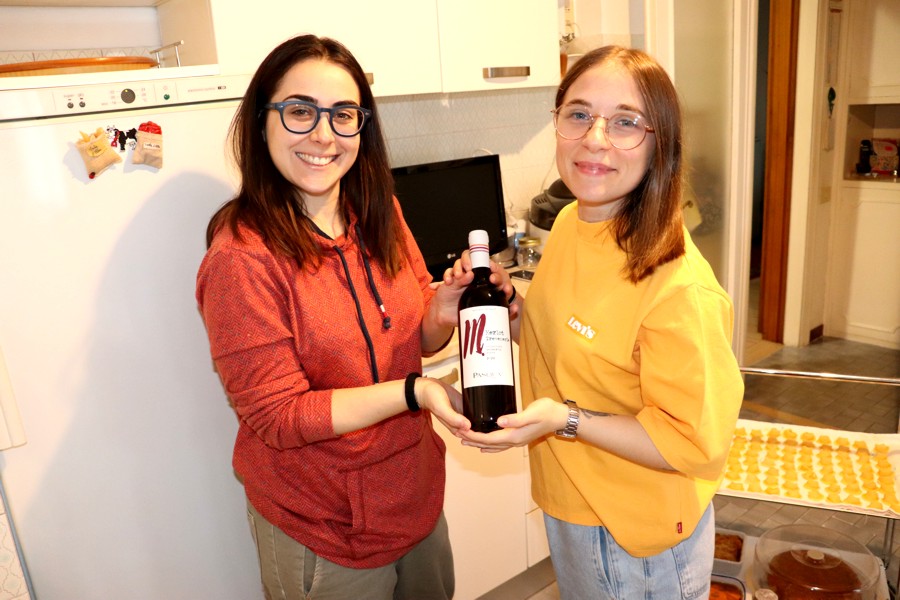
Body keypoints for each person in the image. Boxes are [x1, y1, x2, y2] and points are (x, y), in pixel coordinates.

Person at [196, 34, 511, 600]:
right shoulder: (241, 259)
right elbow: (279, 416)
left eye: (343, 115)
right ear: (261, 122)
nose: (324, 135)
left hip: (413, 496)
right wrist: (414, 392)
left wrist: (444, 307)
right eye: (300, 111)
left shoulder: (379, 210)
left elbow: (416, 337)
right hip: (321, 525)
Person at [457, 46, 744, 599]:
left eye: (626, 122)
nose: (595, 138)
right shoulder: (573, 222)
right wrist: (510, 311)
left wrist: (564, 419)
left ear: (661, 144)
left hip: (633, 535)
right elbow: (570, 341)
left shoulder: (678, 287)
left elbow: (694, 443)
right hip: (572, 500)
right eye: (579, 114)